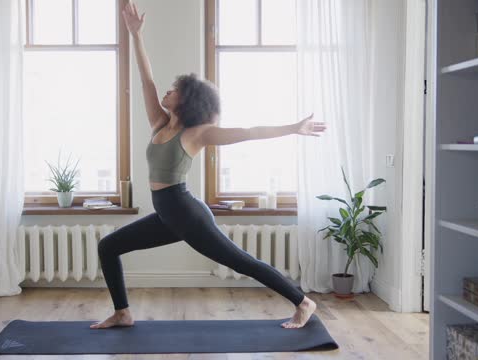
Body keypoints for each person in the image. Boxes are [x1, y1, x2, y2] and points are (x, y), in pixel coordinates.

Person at [90, 1, 326, 330]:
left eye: (176, 89)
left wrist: (292, 128)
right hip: (167, 216)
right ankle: (122, 312)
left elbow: (249, 133)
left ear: (187, 101)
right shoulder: (160, 124)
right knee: (109, 246)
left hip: (188, 216)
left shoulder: (197, 134)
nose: (168, 90)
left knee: (241, 262)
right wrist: (136, 36)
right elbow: (147, 81)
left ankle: (303, 302)